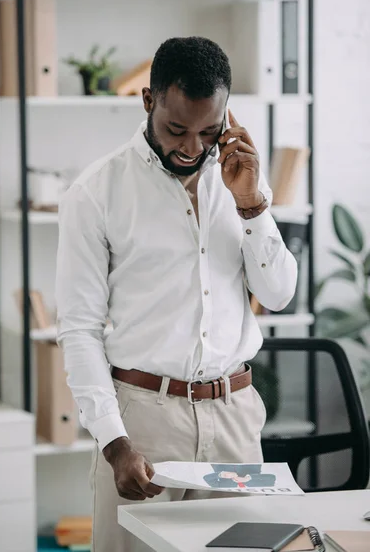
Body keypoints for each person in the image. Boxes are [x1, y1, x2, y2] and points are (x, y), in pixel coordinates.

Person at [56, 36, 297, 552]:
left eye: (209, 131)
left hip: (233, 416)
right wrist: (113, 441)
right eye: (176, 129)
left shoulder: (239, 180)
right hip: (142, 421)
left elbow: (278, 295)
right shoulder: (96, 193)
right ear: (149, 102)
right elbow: (78, 329)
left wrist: (252, 204)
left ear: (227, 116)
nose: (191, 147)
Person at [203, 463, 276, 489]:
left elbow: (206, 478)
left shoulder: (224, 486)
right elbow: (272, 478)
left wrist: (221, 474)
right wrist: (249, 478)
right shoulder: (258, 486)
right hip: (248, 457)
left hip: (221, 459)